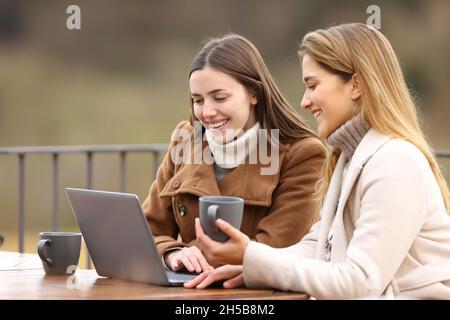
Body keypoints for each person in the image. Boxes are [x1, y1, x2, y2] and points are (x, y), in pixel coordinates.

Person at [186, 23, 450, 299]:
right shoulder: (350, 157)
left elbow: (359, 283)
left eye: (312, 85)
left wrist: (252, 256)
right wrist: (249, 266)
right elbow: (318, 246)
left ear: (356, 85)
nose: (305, 101)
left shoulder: (395, 162)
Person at [142, 33, 326, 274]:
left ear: (254, 94)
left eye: (220, 98)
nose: (207, 112)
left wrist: (193, 253)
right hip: (187, 292)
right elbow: (146, 231)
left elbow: (273, 250)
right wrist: (172, 253)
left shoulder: (303, 154)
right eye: (197, 100)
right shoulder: (185, 139)